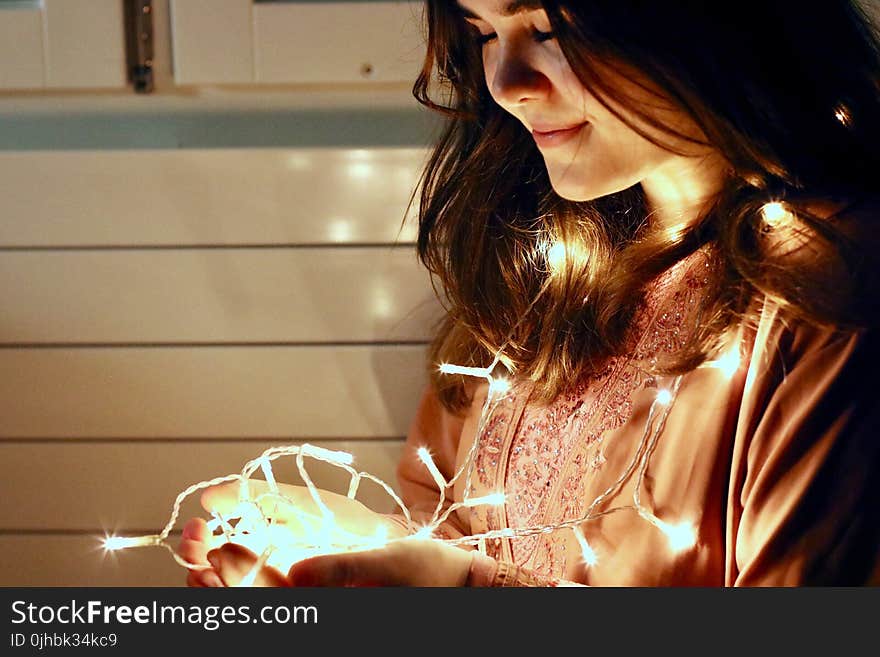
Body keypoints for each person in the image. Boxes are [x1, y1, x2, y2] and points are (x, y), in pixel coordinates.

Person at [179, 0, 880, 586]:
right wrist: (352, 545)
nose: (506, 82)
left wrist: (461, 598)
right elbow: (464, 527)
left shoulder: (831, 287)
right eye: (484, 32)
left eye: (547, 28)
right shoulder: (545, 270)